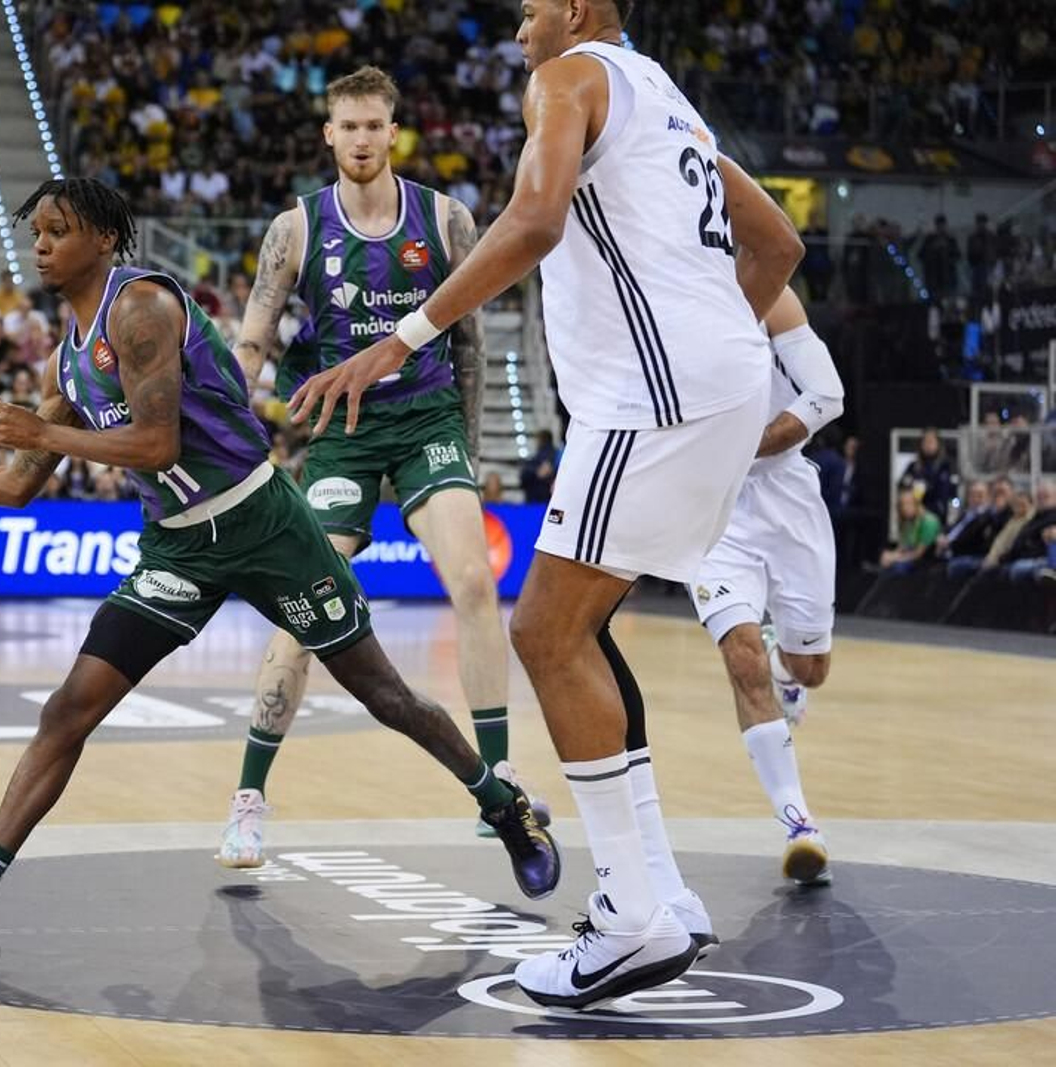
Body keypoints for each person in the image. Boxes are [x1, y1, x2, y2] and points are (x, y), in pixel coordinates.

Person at [0, 178, 559, 960]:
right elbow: (16, 486)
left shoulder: (141, 310)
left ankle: (503, 806)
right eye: (38, 233)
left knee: (385, 693)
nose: (41, 244)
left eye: (58, 230)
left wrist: (44, 433)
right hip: (179, 548)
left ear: (102, 239)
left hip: (264, 523)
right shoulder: (70, 352)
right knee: (69, 708)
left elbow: (156, 444)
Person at [290, 0, 803, 1009]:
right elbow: (779, 246)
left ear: (572, 9)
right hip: (725, 383)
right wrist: (710, 339)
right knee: (585, 634)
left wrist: (403, 337)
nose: (516, 22)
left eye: (528, 6)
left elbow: (533, 218)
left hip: (657, 396)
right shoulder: (670, 100)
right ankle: (661, 891)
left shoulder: (566, 75)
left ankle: (628, 917)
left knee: (545, 632)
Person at [217, 66, 543, 868]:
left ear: (391, 132)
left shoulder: (446, 218)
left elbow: (467, 340)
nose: (361, 139)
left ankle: (496, 771)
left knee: (473, 582)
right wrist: (227, 432)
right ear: (328, 134)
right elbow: (254, 337)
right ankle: (248, 799)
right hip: (342, 431)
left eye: (373, 125)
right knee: (307, 609)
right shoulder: (295, 228)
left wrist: (463, 442)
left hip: (427, 418)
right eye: (348, 126)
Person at [687, 290, 842, 890]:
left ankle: (788, 668)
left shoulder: (774, 300)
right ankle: (799, 824)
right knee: (740, 655)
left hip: (789, 497)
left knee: (810, 669)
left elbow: (827, 396)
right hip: (715, 507)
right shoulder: (667, 300)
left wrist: (742, 444)